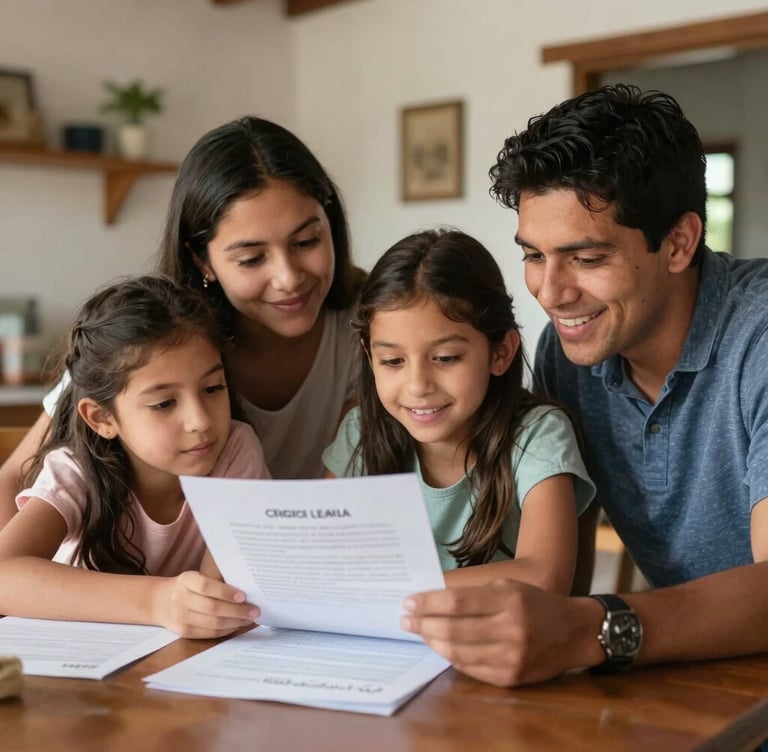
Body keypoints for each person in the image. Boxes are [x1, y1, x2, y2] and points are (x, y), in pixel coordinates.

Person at [400, 84, 768, 688]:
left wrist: (589, 629)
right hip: (703, 682)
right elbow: (560, 570)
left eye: (586, 258)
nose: (549, 292)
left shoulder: (757, 334)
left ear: (679, 242)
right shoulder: (570, 355)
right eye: (534, 255)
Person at [0, 116, 366, 528]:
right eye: (251, 259)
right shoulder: (155, 338)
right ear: (202, 260)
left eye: (306, 242)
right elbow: (14, 476)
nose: (289, 277)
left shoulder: (371, 324)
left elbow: (354, 486)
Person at [323, 229, 594, 593]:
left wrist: (394, 590)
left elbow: (544, 577)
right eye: (392, 360)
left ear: (500, 352)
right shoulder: (360, 430)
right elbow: (321, 557)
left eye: (446, 358)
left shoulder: (539, 435)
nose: (418, 385)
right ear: (369, 355)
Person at [0, 276, 267, 637]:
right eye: (164, 403)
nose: (201, 421)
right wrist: (158, 601)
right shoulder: (75, 470)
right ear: (102, 418)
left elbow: (215, 600)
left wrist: (182, 606)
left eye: (212, 388)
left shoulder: (236, 449)